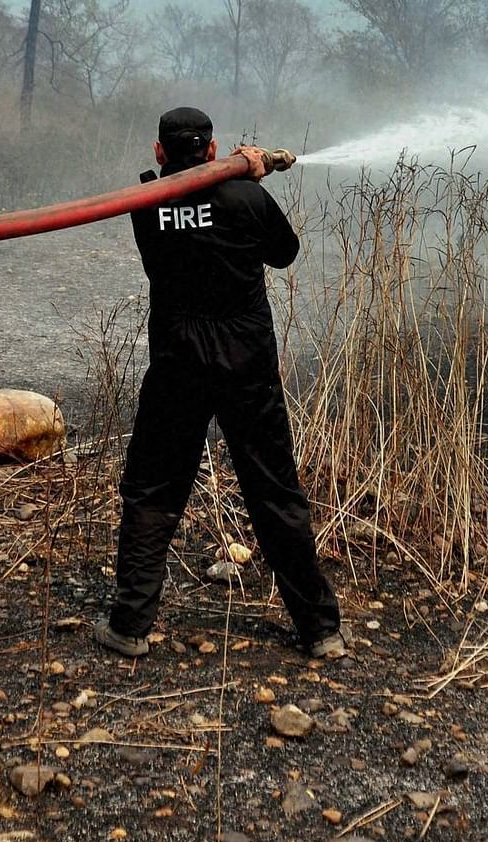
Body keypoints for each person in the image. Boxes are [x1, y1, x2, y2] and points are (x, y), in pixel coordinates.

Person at [94, 107, 345, 661]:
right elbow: (285, 253)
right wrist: (244, 179)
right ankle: (320, 630)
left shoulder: (145, 206)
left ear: (160, 153)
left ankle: (129, 626)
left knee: (154, 488)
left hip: (177, 362)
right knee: (274, 491)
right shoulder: (247, 198)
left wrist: (231, 178)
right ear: (211, 150)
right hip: (247, 366)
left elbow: (179, 213)